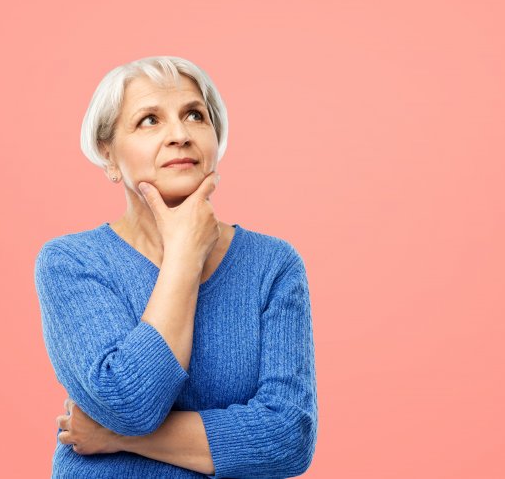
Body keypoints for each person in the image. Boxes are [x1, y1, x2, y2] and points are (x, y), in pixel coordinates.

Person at [33, 56, 318, 478]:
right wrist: (185, 254)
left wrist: (116, 438)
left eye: (194, 115)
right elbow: (130, 402)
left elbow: (288, 437)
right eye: (149, 120)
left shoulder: (273, 266)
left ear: (215, 139)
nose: (180, 135)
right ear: (109, 154)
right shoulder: (71, 262)